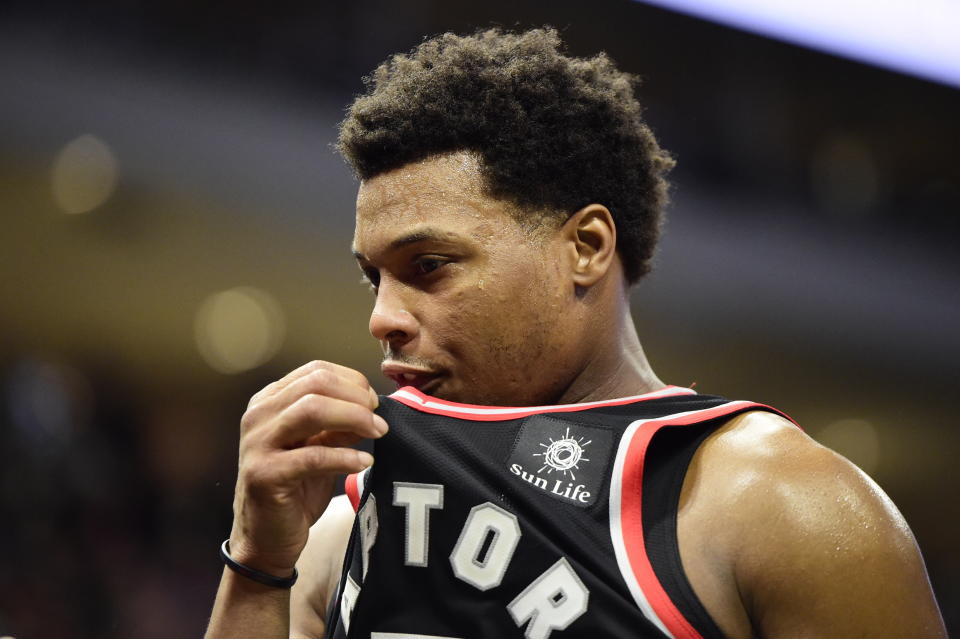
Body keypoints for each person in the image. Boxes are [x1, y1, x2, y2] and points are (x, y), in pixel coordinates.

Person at [205, 28, 946, 638]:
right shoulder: (346, 526)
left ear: (586, 246)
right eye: (375, 278)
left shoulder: (783, 507)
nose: (382, 317)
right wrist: (257, 560)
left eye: (428, 265)